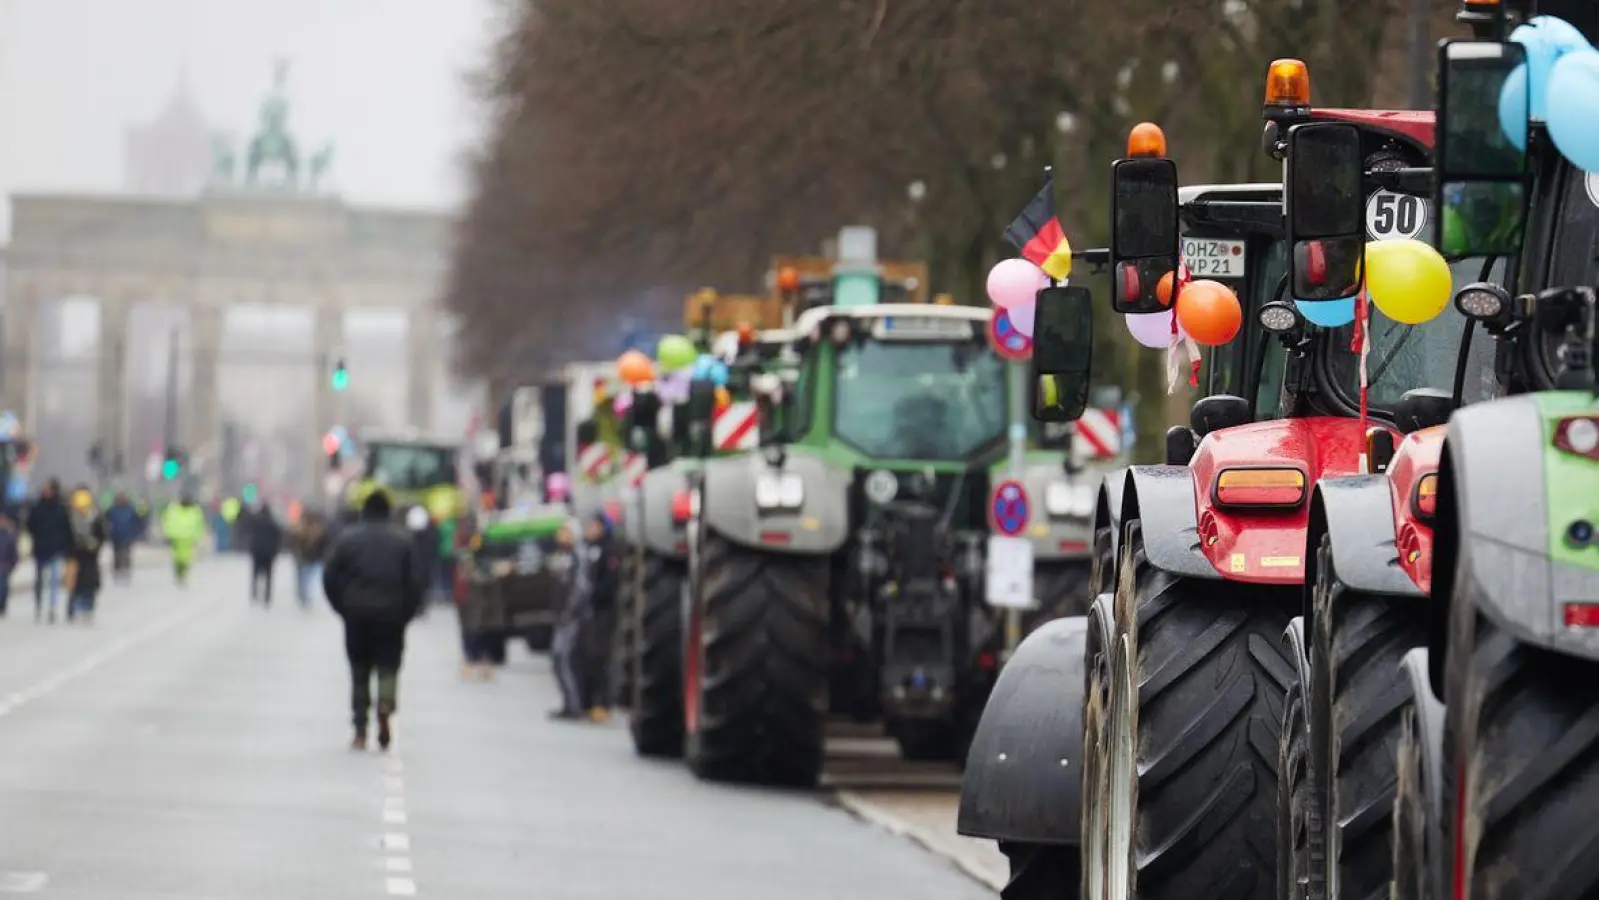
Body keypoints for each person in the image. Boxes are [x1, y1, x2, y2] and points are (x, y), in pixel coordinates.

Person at [322, 491, 424, 751]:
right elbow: (416, 582)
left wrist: (342, 607)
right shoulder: (403, 542)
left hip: (357, 614)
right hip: (391, 615)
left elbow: (330, 576)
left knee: (359, 670)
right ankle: (386, 704)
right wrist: (406, 613)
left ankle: (359, 729)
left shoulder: (347, 540)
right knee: (388, 665)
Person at [549, 517, 594, 721]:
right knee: (558, 658)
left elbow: (581, 586)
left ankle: (574, 703)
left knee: (562, 656)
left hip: (573, 616)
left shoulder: (578, 555)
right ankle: (568, 702)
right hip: (562, 615)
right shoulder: (562, 555)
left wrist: (570, 610)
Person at [582, 511, 621, 721]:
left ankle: (604, 702)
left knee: (602, 656)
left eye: (594, 526)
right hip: (587, 611)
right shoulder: (586, 548)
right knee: (587, 655)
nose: (590, 530)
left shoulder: (609, 550)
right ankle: (586, 701)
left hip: (603, 611)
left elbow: (609, 583)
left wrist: (594, 596)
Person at [26, 479, 72, 623]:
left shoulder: (60, 508)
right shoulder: (37, 507)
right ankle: (39, 605)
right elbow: (30, 524)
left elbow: (66, 528)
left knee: (53, 579)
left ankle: (52, 606)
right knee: (40, 579)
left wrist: (65, 546)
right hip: (41, 548)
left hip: (55, 548)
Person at [65, 489, 105, 624]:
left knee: (89, 584)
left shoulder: (95, 519)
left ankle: (87, 608)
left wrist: (94, 545)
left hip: (91, 557)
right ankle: (75, 608)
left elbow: (102, 536)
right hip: (76, 557)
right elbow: (66, 538)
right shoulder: (71, 520)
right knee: (75, 583)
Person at [160, 493, 207, 586]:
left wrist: (198, 535)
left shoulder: (192, 511)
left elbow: (199, 524)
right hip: (178, 537)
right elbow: (166, 521)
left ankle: (182, 573)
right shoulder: (176, 510)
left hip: (186, 538)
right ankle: (180, 572)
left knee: (185, 558)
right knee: (179, 557)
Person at [288, 509, 332, 609]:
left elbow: (325, 545)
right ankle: (304, 597)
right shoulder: (301, 532)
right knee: (305, 580)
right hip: (305, 559)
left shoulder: (315, 532)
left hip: (311, 559)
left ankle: (306, 598)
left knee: (308, 580)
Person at [249, 502, 284, 605]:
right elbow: (279, 536)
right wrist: (276, 550)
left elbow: (250, 533)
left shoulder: (256, 521)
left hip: (257, 552)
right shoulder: (273, 523)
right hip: (269, 553)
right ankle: (267, 596)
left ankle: (254, 594)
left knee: (255, 575)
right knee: (268, 576)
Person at [105, 492, 141, 584]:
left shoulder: (116, 510)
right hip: (120, 535)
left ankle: (123, 569)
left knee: (123, 553)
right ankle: (121, 569)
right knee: (120, 553)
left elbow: (136, 521)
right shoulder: (126, 509)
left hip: (122, 535)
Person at [0, 514, 18, 617]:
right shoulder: (10, 536)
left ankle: (2, 605)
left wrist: (13, 563)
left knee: (4, 587)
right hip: (5, 565)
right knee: (3, 587)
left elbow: (13, 552)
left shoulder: (9, 537)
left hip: (5, 565)